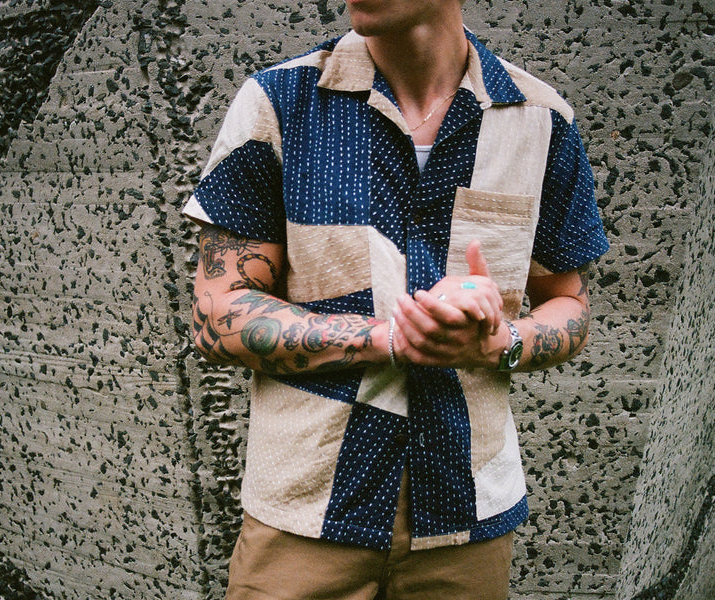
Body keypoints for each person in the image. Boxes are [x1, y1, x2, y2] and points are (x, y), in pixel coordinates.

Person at [183, 0, 609, 597]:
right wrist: (386, 338)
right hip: (304, 520)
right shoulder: (279, 102)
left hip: (468, 525)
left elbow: (569, 304)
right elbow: (215, 313)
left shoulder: (542, 120)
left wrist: (500, 341)